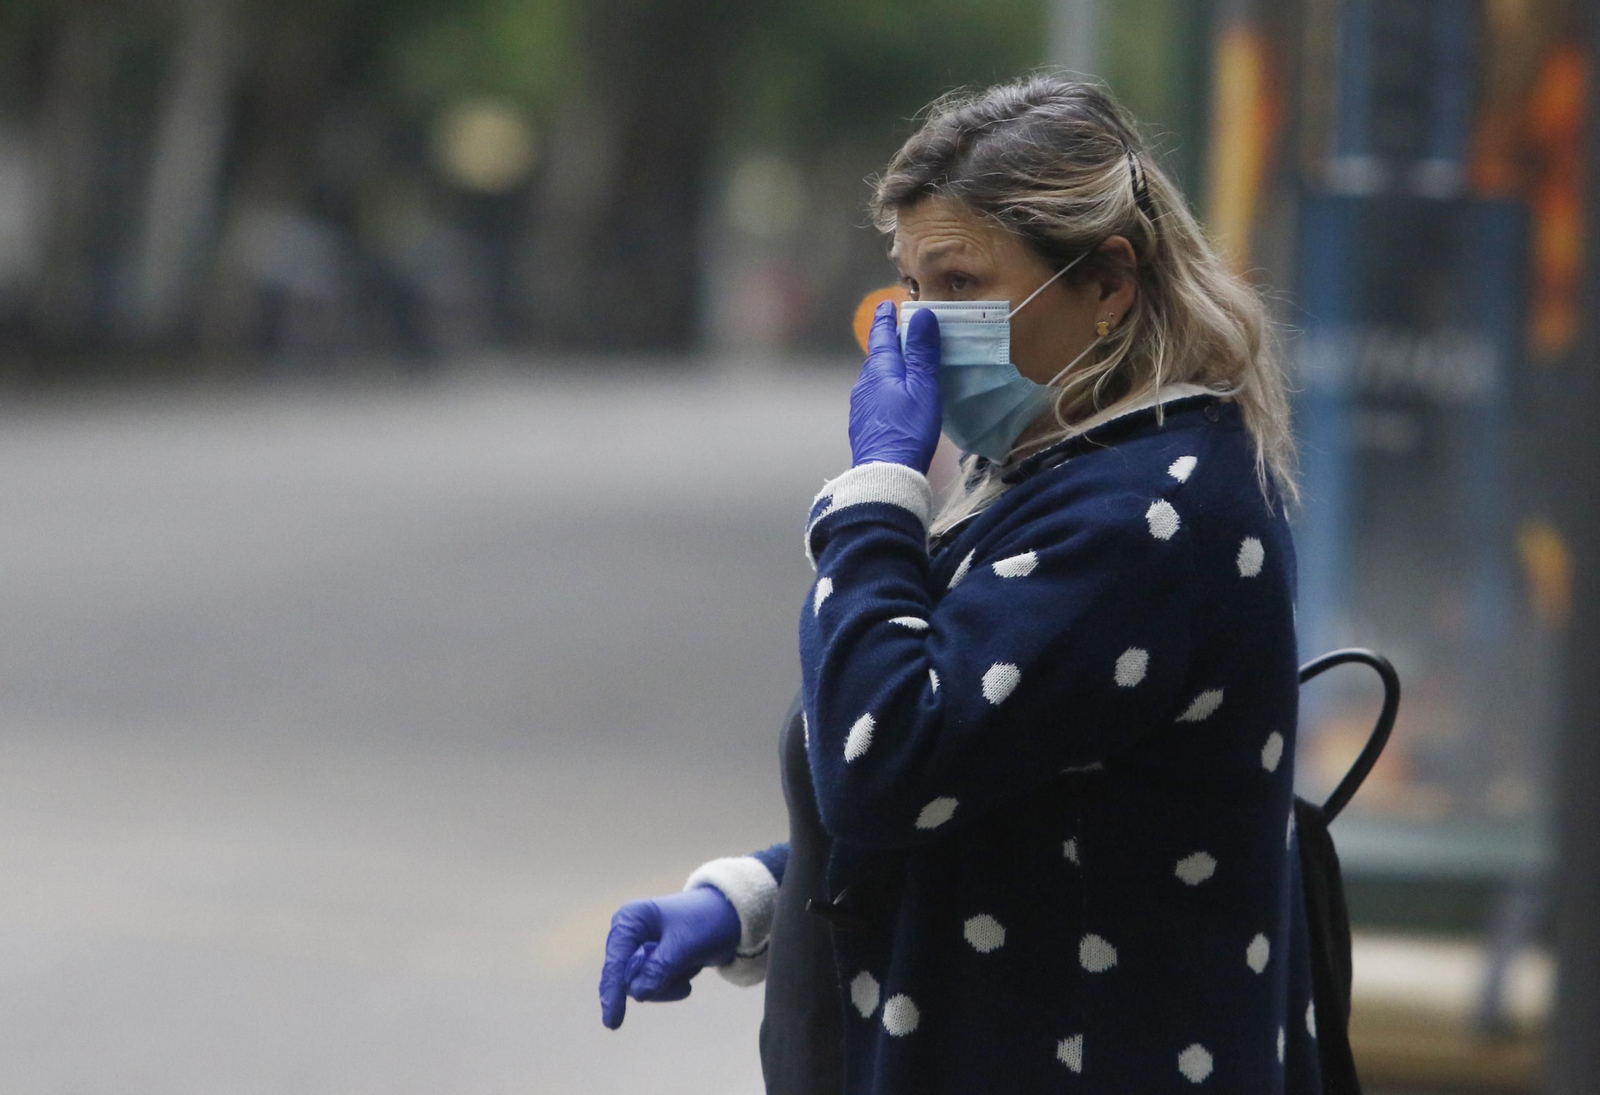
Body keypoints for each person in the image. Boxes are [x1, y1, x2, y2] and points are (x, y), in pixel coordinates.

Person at [598, 71, 1318, 1094]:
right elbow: (1007, 772)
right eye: (914, 288)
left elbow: (889, 756)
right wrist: (755, 897)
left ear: (1108, 283)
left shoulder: (1148, 515)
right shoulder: (1057, 474)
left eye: (963, 285)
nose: (926, 330)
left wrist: (876, 498)